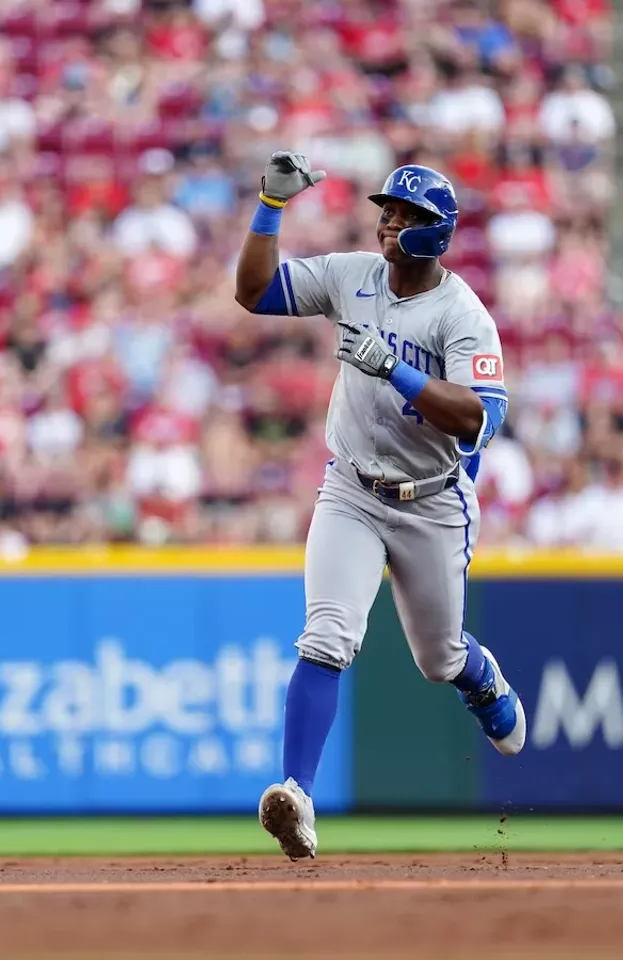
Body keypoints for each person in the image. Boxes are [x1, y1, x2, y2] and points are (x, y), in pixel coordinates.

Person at [233, 152, 525, 861]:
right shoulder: (353, 275)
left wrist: (394, 367)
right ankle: (297, 796)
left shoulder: (462, 314)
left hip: (431, 503)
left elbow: (481, 419)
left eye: (407, 214)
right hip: (352, 489)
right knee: (327, 634)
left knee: (437, 657)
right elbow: (254, 292)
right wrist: (270, 207)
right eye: (388, 210)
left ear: (438, 231)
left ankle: (477, 675)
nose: (389, 220)